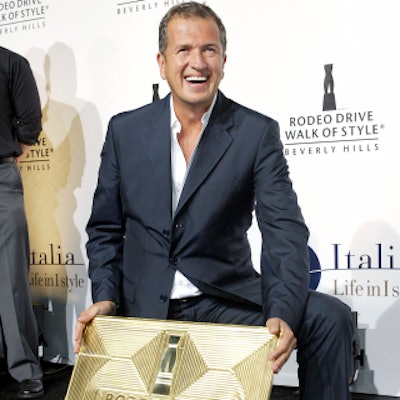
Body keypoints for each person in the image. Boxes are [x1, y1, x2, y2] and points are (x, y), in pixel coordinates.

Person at [75, 3, 354, 399]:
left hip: (223, 300)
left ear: (224, 59)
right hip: (143, 307)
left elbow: (283, 229)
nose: (198, 62)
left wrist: (284, 311)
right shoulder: (125, 130)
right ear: (162, 61)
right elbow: (104, 228)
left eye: (209, 49)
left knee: (329, 317)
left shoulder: (255, 133)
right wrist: (105, 296)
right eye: (184, 49)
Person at [0, 46, 44, 398]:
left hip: (0, 178)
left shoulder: (12, 63)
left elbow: (30, 124)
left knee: (11, 279)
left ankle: (25, 370)